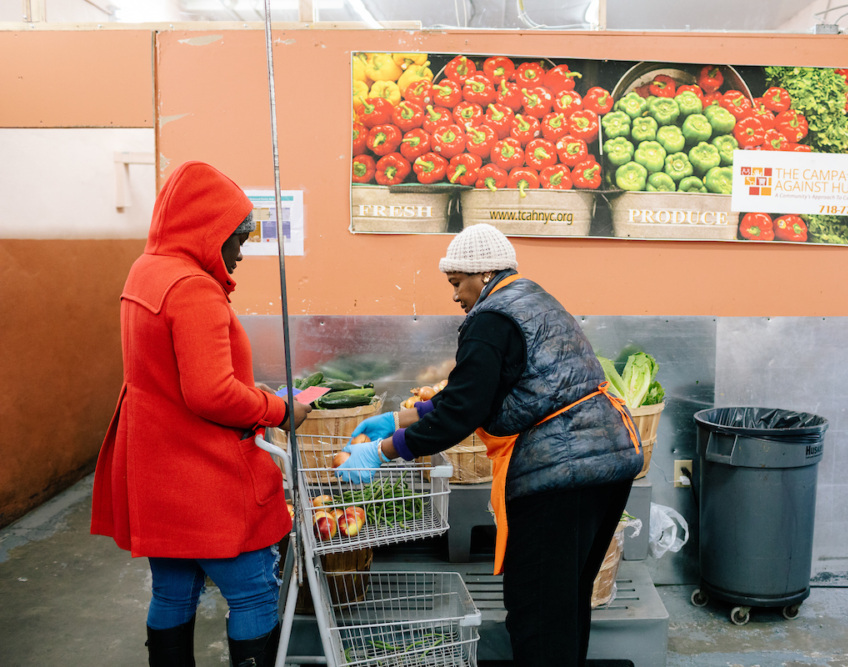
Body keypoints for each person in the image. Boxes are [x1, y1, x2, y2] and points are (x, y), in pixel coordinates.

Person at [342, 223, 643, 667]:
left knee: (536, 611)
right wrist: (398, 417)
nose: (455, 295)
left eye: (456, 282)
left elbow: (461, 413)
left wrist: (383, 450)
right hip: (605, 461)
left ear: (482, 274)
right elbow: (480, 393)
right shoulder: (530, 299)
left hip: (560, 474)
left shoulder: (490, 318)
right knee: (565, 601)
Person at [90, 161, 311, 667]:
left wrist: (243, 388)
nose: (240, 252)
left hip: (158, 475)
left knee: (172, 593)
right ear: (206, 233)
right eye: (236, 238)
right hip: (205, 479)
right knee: (253, 594)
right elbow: (209, 395)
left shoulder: (146, 271)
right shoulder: (193, 288)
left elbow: (171, 377)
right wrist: (279, 408)